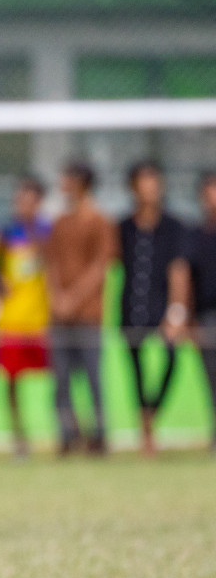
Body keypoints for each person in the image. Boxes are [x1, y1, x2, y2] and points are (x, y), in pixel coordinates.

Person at [115, 160, 188, 455]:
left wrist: (176, 311)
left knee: (171, 359)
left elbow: (179, 270)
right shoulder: (123, 227)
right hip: (132, 307)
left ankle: (151, 417)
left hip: (160, 306)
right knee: (135, 370)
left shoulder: (174, 227)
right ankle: (145, 429)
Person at [43, 163, 114, 456]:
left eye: (67, 178)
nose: (62, 184)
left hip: (88, 314)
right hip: (59, 317)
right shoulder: (60, 222)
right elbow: (52, 264)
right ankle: (68, 435)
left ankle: (98, 435)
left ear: (81, 182)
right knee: (60, 379)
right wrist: (57, 297)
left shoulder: (99, 221)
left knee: (93, 378)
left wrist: (73, 298)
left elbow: (101, 266)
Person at [0, 175, 51, 458]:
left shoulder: (47, 233)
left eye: (30, 200)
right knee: (12, 383)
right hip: (11, 320)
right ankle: (19, 437)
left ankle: (61, 433)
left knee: (56, 378)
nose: (24, 206)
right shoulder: (5, 234)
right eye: (20, 200)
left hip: (40, 320)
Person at [171, 171, 216, 451]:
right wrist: (180, 315)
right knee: (212, 380)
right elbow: (181, 273)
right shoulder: (194, 235)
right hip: (208, 317)